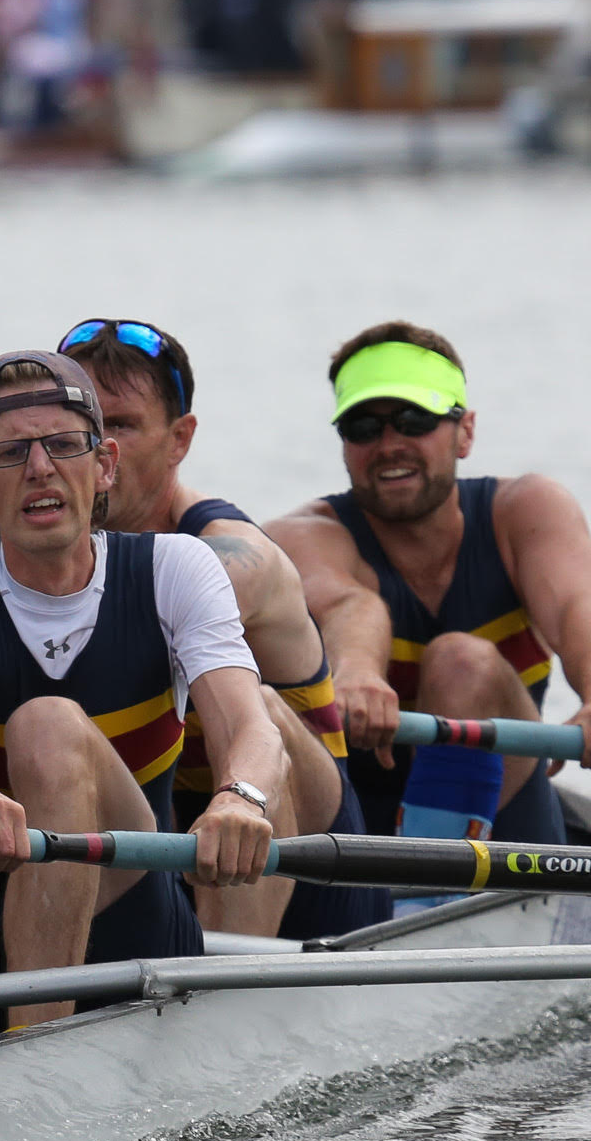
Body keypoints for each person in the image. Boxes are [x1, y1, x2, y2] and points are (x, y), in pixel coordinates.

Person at [0, 351, 286, 1027]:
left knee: (47, 725)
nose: (40, 468)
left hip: (141, 928)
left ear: (105, 465)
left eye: (64, 446)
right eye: (10, 453)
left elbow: (252, 725)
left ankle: (30, 1053)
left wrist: (241, 798)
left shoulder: (175, 568)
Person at [265, 322, 591, 866]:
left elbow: (578, 611)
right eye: (363, 426)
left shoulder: (527, 512)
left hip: (511, 820)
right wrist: (357, 675)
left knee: (461, 662)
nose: (389, 444)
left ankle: (427, 893)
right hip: (355, 842)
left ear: (465, 432)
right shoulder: (301, 537)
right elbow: (346, 606)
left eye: (415, 420)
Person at [58, 316, 390, 941]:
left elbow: (356, 604)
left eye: (122, 424)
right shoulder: (34, 560)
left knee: (258, 707)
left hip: (317, 872)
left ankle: (225, 992)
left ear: (180, 439)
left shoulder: (235, 555)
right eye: (82, 428)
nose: (98, 449)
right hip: (167, 855)